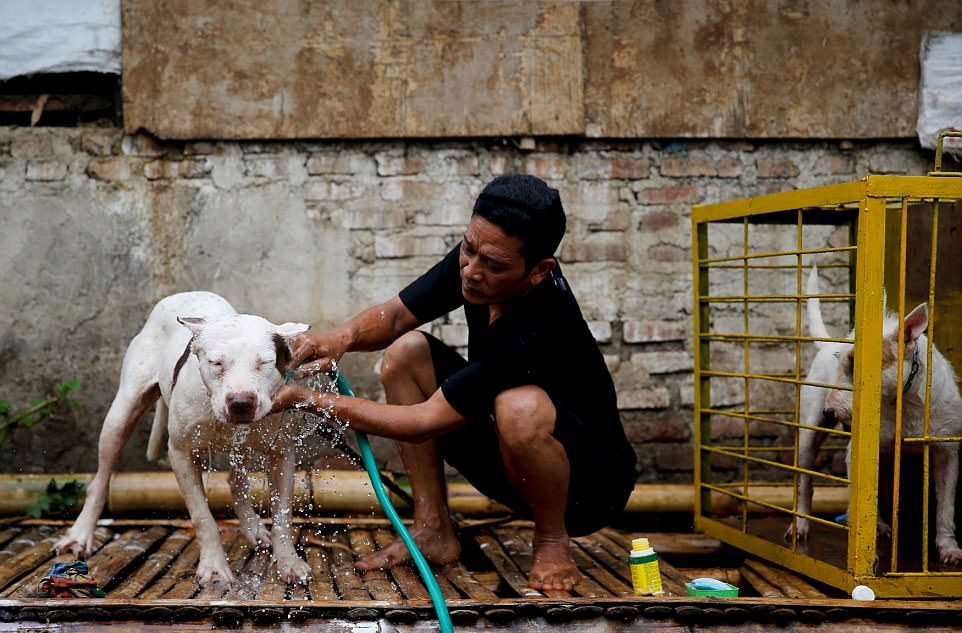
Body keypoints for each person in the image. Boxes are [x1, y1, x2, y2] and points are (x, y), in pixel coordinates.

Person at [272, 174, 638, 590]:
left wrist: (303, 399)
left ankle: (552, 541)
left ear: (539, 271)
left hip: (587, 489)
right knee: (406, 353)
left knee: (519, 407)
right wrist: (341, 338)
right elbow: (393, 318)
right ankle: (432, 529)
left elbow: (423, 421)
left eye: (494, 265)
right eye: (468, 248)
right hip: (508, 459)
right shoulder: (480, 259)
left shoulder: (539, 326)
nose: (471, 270)